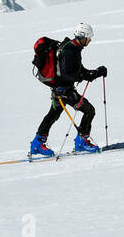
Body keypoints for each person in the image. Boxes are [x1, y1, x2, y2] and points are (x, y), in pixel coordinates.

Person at [30, 22, 107, 157]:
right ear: (82, 36)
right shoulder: (70, 50)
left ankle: (37, 144)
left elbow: (78, 70)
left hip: (60, 88)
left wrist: (95, 73)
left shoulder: (73, 48)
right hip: (64, 90)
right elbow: (68, 74)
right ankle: (81, 142)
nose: (90, 40)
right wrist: (86, 75)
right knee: (89, 110)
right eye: (88, 37)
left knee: (53, 115)